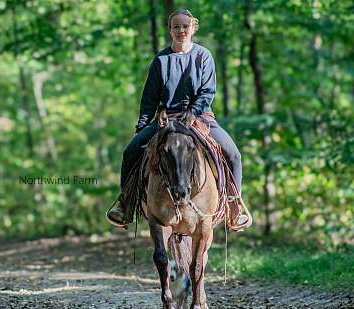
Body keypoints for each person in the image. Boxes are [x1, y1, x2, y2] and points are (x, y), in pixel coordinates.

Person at [106, 9, 251, 229]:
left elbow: (207, 92)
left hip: (201, 117)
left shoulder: (204, 56)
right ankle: (125, 204)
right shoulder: (161, 61)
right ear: (170, 30)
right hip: (168, 119)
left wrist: (192, 114)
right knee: (130, 151)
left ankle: (234, 205)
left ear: (193, 28)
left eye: (185, 26)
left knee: (233, 153)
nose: (181, 30)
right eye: (176, 27)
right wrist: (142, 129)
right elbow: (149, 99)